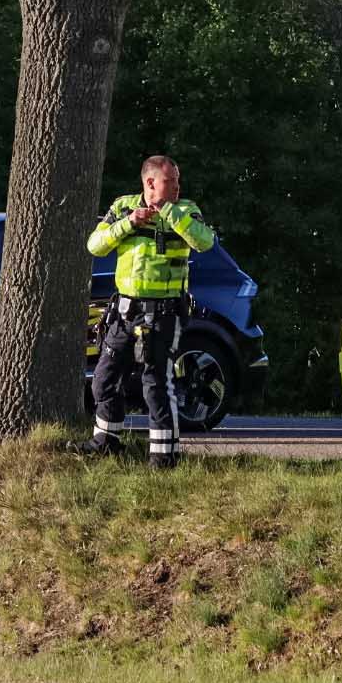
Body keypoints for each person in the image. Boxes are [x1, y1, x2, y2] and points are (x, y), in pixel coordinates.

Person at [80, 155, 215, 469]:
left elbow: (204, 242)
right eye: (171, 181)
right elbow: (95, 245)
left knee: (155, 383)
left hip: (164, 312)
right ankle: (105, 442)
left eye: (178, 180)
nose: (178, 186)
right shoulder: (123, 207)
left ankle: (163, 456)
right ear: (151, 182)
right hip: (125, 311)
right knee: (103, 379)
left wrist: (170, 214)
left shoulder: (186, 210)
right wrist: (130, 223)